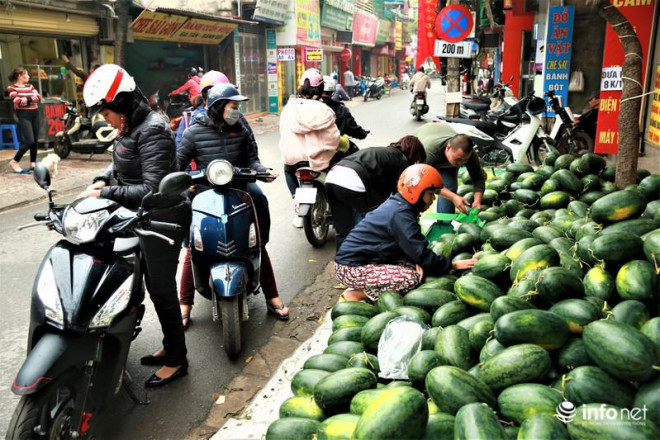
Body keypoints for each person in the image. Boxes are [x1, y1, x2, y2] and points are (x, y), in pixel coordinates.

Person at [78, 64, 191, 387]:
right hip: (138, 217)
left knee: (162, 290)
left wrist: (105, 192)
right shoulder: (130, 128)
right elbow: (122, 167)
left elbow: (152, 188)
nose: (106, 120)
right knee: (136, 282)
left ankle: (177, 359)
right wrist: (102, 178)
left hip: (163, 219)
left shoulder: (153, 129)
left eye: (107, 113)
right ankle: (170, 346)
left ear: (124, 104)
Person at [177, 83, 290, 321]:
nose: (236, 111)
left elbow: (252, 159)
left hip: (238, 190)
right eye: (233, 106)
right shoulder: (193, 132)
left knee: (256, 237)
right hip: (205, 194)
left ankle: (272, 295)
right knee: (193, 247)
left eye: (238, 107)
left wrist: (261, 171)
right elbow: (178, 164)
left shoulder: (240, 130)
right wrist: (184, 180)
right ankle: (184, 303)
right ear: (218, 107)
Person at [335, 164, 477, 302]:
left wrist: (416, 259)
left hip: (371, 258)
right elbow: (420, 252)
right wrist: (452, 265)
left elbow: (411, 246)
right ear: (417, 192)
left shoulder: (400, 206)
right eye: (430, 194)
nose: (433, 198)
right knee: (410, 279)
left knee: (418, 268)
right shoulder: (401, 215)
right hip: (351, 268)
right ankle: (357, 294)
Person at [325, 135, 427, 250]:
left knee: (343, 231)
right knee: (364, 228)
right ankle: (361, 260)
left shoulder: (384, 153)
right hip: (353, 181)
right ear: (413, 152)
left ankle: (341, 263)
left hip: (332, 177)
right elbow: (401, 195)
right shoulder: (401, 160)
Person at [278, 68, 346, 228]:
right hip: (320, 160)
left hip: (295, 160)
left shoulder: (290, 108)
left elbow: (284, 133)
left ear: (302, 86)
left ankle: (296, 198)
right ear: (321, 89)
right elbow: (333, 137)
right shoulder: (325, 110)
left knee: (288, 169)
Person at [414, 122, 486, 214]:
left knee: (450, 188)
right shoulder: (428, 152)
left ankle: (445, 223)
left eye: (464, 161)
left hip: (443, 151)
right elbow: (425, 181)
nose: (460, 164)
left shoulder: (469, 155)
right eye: (458, 159)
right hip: (424, 145)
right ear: (448, 148)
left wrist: (477, 201)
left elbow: (478, 178)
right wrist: (453, 197)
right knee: (417, 192)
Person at [7, 66, 42, 174]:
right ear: (19, 76)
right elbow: (17, 101)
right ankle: (14, 161)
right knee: (29, 140)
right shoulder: (12, 88)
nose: (28, 76)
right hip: (23, 115)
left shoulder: (30, 86)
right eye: (26, 74)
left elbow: (39, 98)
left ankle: (33, 163)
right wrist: (31, 99)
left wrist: (26, 100)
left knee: (35, 140)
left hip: (35, 113)